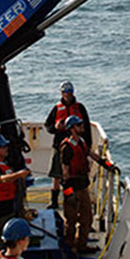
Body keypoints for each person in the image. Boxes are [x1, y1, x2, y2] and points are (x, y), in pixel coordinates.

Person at [60, 115, 118, 255]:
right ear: (72, 129)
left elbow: (92, 155)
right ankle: (69, 246)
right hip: (72, 188)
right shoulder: (67, 148)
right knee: (71, 219)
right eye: (79, 125)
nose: (82, 127)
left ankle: (81, 244)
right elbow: (65, 173)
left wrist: (108, 165)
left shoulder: (81, 142)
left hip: (83, 185)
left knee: (87, 217)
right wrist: (69, 193)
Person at [43, 80, 91, 210]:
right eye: (65, 92)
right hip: (60, 146)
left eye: (70, 92)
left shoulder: (80, 108)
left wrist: (88, 145)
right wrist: (55, 127)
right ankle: (55, 201)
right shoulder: (57, 108)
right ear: (61, 93)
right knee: (58, 176)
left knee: (77, 173)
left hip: (76, 145)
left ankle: (75, 199)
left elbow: (86, 126)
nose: (68, 94)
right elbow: (48, 125)